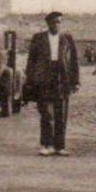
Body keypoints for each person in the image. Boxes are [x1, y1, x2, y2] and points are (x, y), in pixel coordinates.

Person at [24, 10, 81, 156]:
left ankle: (60, 146)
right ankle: (46, 145)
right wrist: (29, 80)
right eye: (53, 22)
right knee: (45, 113)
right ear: (48, 24)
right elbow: (31, 60)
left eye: (59, 22)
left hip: (62, 79)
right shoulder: (38, 38)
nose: (56, 25)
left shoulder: (67, 38)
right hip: (43, 79)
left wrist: (76, 81)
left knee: (60, 113)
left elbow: (74, 61)